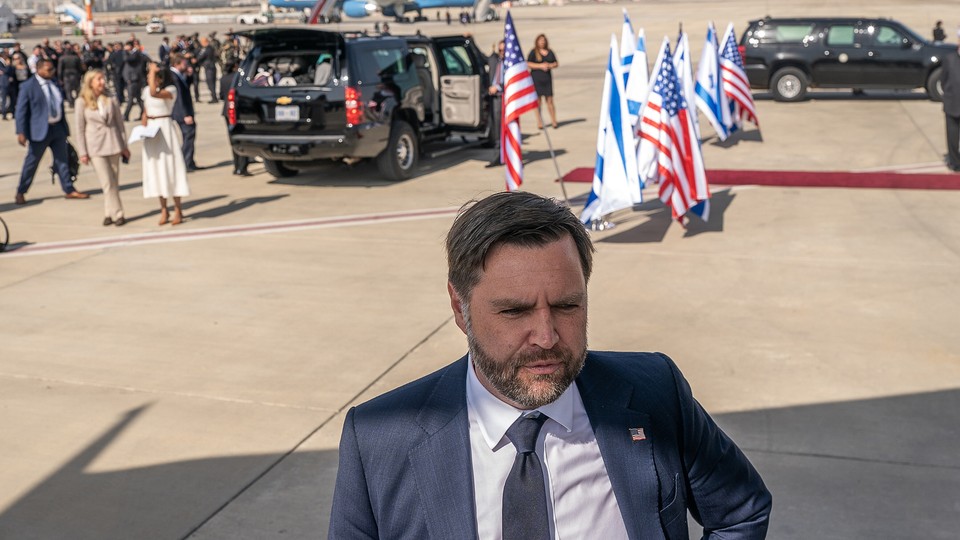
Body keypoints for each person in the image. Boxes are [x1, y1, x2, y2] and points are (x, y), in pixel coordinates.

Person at [329, 191, 773, 539]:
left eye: (566, 305)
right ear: (459, 307)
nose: (546, 337)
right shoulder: (378, 438)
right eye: (514, 311)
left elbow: (741, 510)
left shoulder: (656, 391)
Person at [13, 58, 89, 205]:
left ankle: (69, 189)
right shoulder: (28, 86)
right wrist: (21, 132)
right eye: (48, 70)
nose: (52, 72)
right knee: (32, 163)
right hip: (39, 132)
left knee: (62, 161)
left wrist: (64, 129)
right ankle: (21, 191)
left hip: (57, 129)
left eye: (52, 69)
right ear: (39, 69)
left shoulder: (54, 84)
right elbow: (20, 111)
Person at [75, 69, 130, 226]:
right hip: (95, 146)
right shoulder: (82, 101)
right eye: (99, 79)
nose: (102, 82)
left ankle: (108, 212)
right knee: (107, 182)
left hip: (113, 143)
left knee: (114, 181)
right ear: (90, 82)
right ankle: (118, 213)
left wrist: (124, 145)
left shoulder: (110, 98)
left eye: (103, 79)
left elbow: (120, 123)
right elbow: (79, 128)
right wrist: (83, 152)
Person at [141, 62, 190, 225]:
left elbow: (155, 94)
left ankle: (178, 209)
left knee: (171, 168)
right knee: (155, 169)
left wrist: (153, 71)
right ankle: (163, 209)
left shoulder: (170, 90)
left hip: (165, 129)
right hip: (152, 132)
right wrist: (143, 129)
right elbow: (145, 111)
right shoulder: (145, 91)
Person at [169, 53, 199, 171]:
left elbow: (186, 87)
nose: (186, 66)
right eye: (184, 64)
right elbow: (180, 97)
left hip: (184, 111)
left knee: (190, 135)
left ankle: (189, 161)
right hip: (182, 112)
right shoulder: (174, 76)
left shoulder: (179, 75)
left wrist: (189, 75)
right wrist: (186, 114)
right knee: (188, 135)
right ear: (177, 64)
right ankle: (185, 162)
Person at [219, 61, 250, 176]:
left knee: (232, 139)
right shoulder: (238, 78)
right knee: (242, 138)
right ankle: (242, 167)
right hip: (237, 110)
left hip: (226, 111)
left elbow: (221, 95)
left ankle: (236, 166)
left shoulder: (223, 78)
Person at [527, 33, 559, 129]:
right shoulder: (533, 52)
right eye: (540, 41)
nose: (542, 42)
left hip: (547, 79)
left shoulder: (550, 52)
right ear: (537, 42)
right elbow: (528, 63)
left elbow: (556, 63)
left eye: (544, 41)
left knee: (550, 100)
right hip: (536, 79)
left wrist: (549, 65)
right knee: (538, 101)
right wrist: (540, 66)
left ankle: (553, 120)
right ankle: (539, 121)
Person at [941, 41, 960, 171]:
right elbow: (943, 80)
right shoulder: (949, 59)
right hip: (952, 104)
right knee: (952, 137)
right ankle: (955, 162)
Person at [485, 40, 504, 168]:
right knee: (496, 126)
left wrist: (498, 87)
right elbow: (480, 56)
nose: (501, 53)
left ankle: (508, 155)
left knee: (506, 127)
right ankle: (498, 156)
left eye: (504, 50)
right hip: (495, 99)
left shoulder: (510, 63)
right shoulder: (494, 60)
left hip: (505, 97)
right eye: (500, 50)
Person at [121, 41, 146, 121]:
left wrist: (125, 51)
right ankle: (144, 113)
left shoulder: (135, 54)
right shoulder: (133, 53)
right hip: (132, 79)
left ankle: (126, 115)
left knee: (131, 98)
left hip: (133, 80)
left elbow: (126, 59)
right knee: (138, 98)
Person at [196, 37, 218, 103]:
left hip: (209, 68)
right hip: (210, 68)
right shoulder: (210, 48)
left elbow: (202, 56)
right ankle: (214, 97)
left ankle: (214, 98)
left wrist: (197, 59)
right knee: (211, 83)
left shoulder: (208, 49)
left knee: (210, 83)